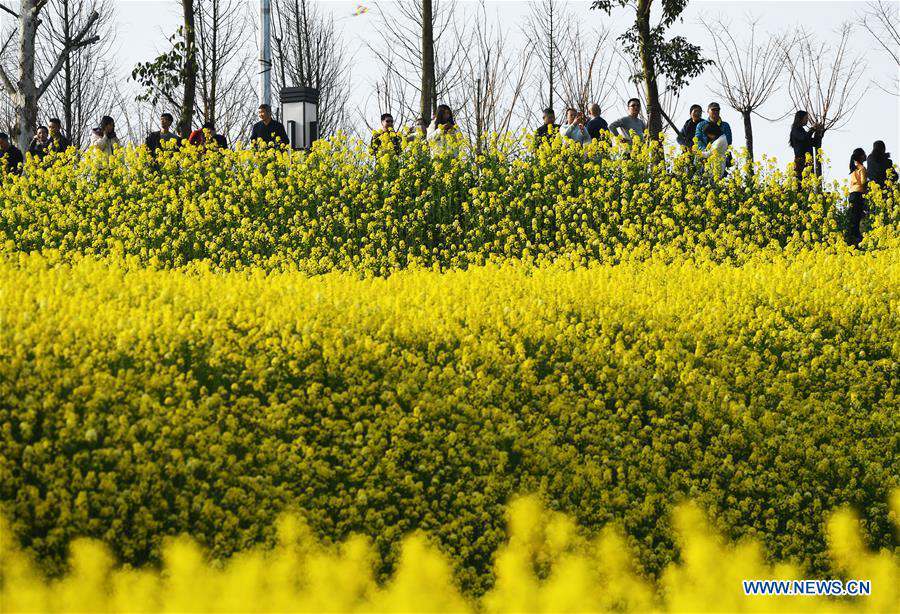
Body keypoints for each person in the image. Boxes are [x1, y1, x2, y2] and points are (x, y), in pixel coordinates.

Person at [789, 110, 823, 180]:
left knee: (808, 184)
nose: (807, 120)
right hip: (801, 161)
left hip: (808, 161)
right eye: (806, 118)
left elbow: (814, 143)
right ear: (800, 118)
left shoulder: (802, 130)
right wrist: (812, 129)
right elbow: (804, 138)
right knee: (801, 184)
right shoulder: (796, 130)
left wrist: (818, 132)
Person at [846, 147, 868, 246]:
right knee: (857, 219)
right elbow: (863, 182)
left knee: (852, 219)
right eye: (863, 154)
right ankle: (856, 241)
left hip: (851, 195)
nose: (865, 156)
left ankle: (852, 240)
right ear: (860, 156)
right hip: (858, 195)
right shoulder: (862, 168)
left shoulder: (853, 168)